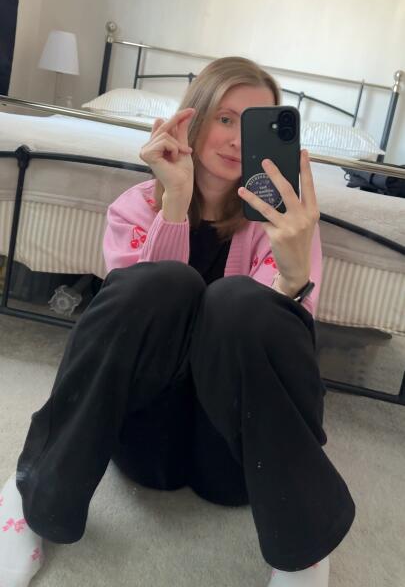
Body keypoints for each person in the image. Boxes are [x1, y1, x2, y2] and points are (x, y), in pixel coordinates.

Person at [0, 56, 355, 587]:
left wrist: (293, 275)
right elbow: (125, 327)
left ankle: (302, 551)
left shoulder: (287, 223)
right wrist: (175, 206)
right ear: (195, 117)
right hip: (147, 437)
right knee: (160, 283)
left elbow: (279, 356)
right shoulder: (134, 207)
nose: (238, 139)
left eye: (256, 125)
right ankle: (32, 494)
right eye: (226, 118)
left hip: (241, 452)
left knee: (238, 303)